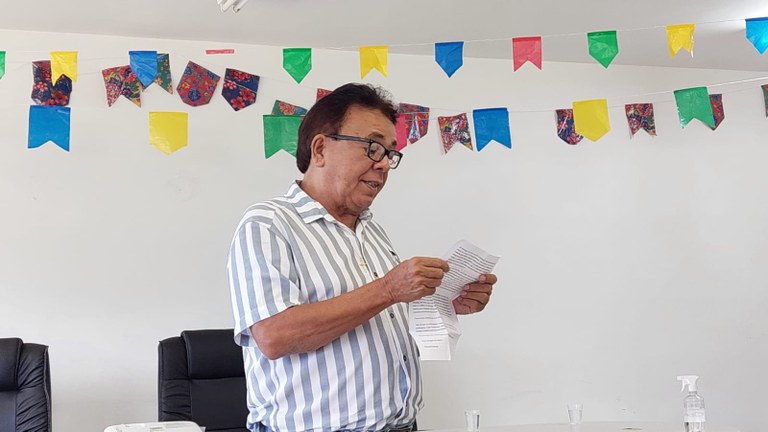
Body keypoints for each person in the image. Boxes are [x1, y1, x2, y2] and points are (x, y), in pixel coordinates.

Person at [227, 83, 497, 432]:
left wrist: (447, 303)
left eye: (390, 153)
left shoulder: (372, 230)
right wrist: (388, 289)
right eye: (372, 147)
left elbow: (380, 319)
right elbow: (274, 335)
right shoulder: (268, 223)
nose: (383, 164)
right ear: (320, 149)